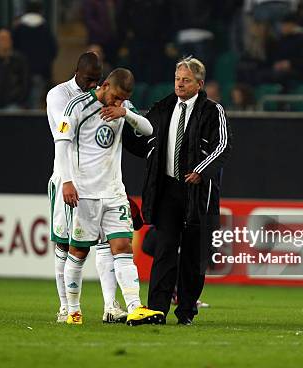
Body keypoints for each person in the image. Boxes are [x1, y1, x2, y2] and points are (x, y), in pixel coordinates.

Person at [124, 56, 232, 325]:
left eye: (185, 80)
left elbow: (223, 147)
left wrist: (201, 170)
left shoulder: (212, 110)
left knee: (195, 256)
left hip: (199, 191)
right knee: (164, 249)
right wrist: (123, 128)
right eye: (177, 79)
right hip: (168, 189)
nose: (180, 84)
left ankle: (186, 311)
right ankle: (157, 309)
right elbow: (143, 141)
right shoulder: (162, 108)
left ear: (199, 83)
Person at [54, 67, 163, 326]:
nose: (117, 102)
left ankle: (135, 307)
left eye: (123, 99)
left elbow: (148, 129)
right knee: (78, 252)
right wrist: (67, 182)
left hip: (114, 192)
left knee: (123, 246)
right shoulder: (77, 106)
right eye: (115, 97)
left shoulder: (123, 107)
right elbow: (62, 142)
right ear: (104, 86)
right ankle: (72, 310)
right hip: (84, 193)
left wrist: (125, 112)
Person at [46, 52, 127, 324]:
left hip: (99, 184)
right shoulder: (59, 95)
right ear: (76, 72)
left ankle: (110, 305)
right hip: (66, 179)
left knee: (107, 242)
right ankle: (65, 306)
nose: (91, 85)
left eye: (96, 80)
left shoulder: (100, 97)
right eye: (88, 79)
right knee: (65, 244)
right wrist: (68, 179)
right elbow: (63, 134)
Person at [13, 0, 58, 109]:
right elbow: (53, 49)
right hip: (40, 71)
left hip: (21, 72)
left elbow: (14, 49)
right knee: (35, 103)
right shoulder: (45, 28)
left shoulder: (19, 29)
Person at [0, 29, 30, 110]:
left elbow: (25, 82)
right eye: (1, 39)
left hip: (13, 104)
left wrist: (20, 100)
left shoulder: (19, 60)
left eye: (6, 39)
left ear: (11, 41)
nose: (3, 42)